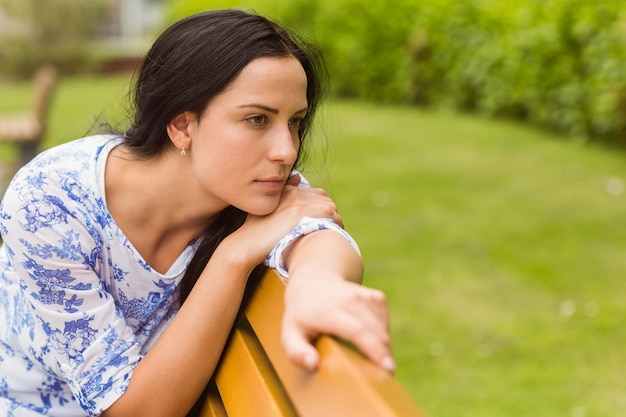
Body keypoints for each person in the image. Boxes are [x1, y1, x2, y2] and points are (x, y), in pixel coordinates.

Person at [0, 9, 393, 417]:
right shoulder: (49, 205)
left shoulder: (257, 189)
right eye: (256, 119)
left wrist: (317, 285)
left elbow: (318, 236)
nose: (287, 150)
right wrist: (233, 256)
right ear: (182, 126)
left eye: (294, 122)